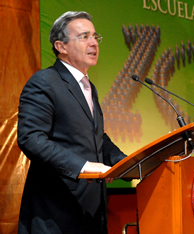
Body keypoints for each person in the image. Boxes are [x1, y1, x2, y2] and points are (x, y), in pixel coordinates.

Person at [17, 11, 127, 233]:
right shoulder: (45, 81)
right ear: (61, 46)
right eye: (84, 36)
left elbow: (97, 137)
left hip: (92, 212)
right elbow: (30, 138)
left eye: (95, 36)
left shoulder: (88, 87)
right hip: (56, 212)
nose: (93, 43)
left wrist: (124, 161)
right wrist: (82, 167)